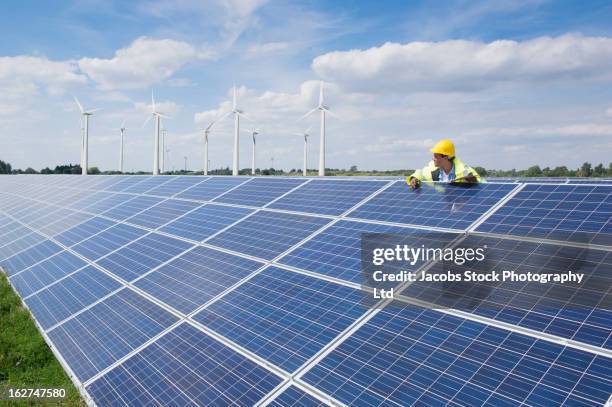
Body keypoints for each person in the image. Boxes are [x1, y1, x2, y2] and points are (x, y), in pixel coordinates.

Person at [407, 139, 482, 189]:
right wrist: (414, 178)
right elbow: (421, 173)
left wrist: (474, 182)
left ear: (445, 157)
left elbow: (484, 185)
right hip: (442, 206)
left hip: (459, 206)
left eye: (436, 156)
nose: (433, 159)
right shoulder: (432, 169)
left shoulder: (464, 170)